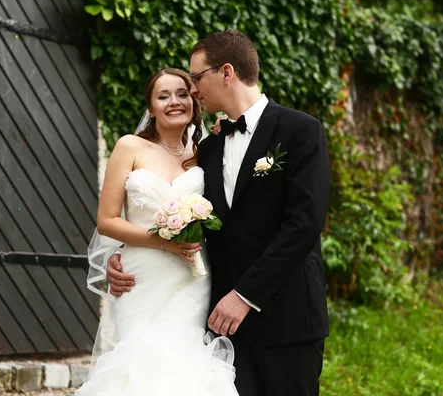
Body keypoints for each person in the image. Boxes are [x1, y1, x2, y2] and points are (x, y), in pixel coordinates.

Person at [106, 30, 331, 395]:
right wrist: (124, 255)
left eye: (196, 79)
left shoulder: (301, 131)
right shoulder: (207, 148)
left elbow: (305, 225)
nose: (193, 90)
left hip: (287, 319)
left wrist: (244, 296)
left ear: (226, 72)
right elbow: (187, 219)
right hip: (222, 331)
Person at [77, 67, 240, 396]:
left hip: (190, 279)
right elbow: (107, 220)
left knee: (184, 365)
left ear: (194, 101)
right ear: (150, 108)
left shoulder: (206, 153)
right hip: (141, 279)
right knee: (137, 361)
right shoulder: (129, 147)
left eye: (182, 94)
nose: (174, 102)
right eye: (163, 96)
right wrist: (160, 243)